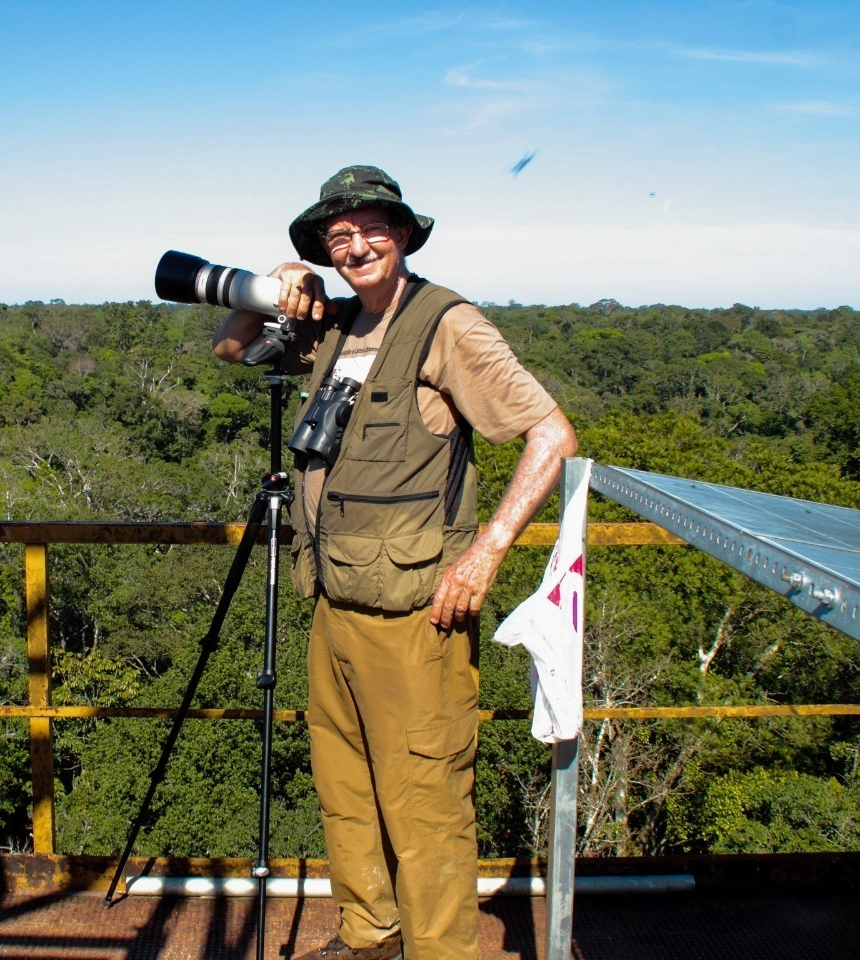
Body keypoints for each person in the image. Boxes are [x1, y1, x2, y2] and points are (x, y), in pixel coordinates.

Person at [212, 166, 577, 960]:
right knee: (345, 792)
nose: (356, 246)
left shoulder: (446, 324)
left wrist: (487, 553)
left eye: (373, 229)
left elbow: (552, 436)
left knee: (425, 802)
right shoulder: (337, 326)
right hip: (334, 602)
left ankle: (441, 951)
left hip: (417, 614)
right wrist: (276, 289)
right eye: (338, 237)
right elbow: (229, 348)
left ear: (405, 234)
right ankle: (370, 935)